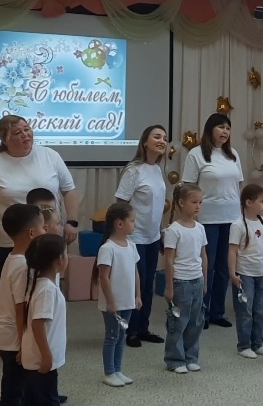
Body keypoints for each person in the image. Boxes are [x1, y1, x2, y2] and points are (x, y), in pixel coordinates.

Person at [0, 116, 80, 274]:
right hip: (11, 241)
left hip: (48, 236)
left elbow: (69, 190)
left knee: (47, 282)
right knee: (15, 283)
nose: (25, 135)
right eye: (18, 132)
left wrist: (72, 222)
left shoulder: (50, 156)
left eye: (27, 129)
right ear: (5, 139)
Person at [182, 113, 244, 330]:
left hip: (231, 218)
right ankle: (201, 311)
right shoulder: (196, 154)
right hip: (206, 219)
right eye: (221, 127)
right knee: (206, 267)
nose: (225, 132)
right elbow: (188, 187)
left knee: (224, 267)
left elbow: (239, 186)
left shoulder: (233, 154)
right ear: (210, 129)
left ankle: (217, 311)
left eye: (228, 128)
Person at [114, 125, 169, 347]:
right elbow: (121, 204)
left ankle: (143, 328)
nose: (162, 140)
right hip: (134, 237)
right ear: (145, 142)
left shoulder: (157, 169)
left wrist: (161, 230)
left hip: (152, 236)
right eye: (157, 136)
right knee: (136, 284)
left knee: (148, 284)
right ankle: (130, 330)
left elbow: (156, 206)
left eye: (165, 138)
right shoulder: (133, 170)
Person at [0, 204, 46, 406]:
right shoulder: (22, 266)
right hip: (14, 341)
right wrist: (24, 345)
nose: (45, 231)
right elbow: (20, 309)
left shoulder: (13, 258)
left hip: (9, 337)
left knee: (21, 386)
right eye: (43, 227)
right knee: (13, 393)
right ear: (32, 233)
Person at [162, 183, 208, 374]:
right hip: (181, 282)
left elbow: (203, 255)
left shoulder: (200, 228)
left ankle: (191, 357)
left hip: (197, 280)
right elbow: (169, 260)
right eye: (193, 202)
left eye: (200, 202)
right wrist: (169, 286)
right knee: (178, 322)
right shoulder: (173, 230)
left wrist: (204, 280)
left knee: (196, 322)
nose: (198, 206)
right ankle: (175, 360)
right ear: (181, 203)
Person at [20, 234, 68, 406]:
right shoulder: (47, 290)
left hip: (37, 357)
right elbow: (37, 323)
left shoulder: (40, 284)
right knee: (47, 400)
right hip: (41, 359)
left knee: (35, 398)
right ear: (60, 259)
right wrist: (47, 356)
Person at [97, 203, 141, 387]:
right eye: (132, 221)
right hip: (113, 303)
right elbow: (103, 277)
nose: (135, 224)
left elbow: (135, 272)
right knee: (112, 336)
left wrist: (137, 295)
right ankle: (109, 372)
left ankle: (117, 370)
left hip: (127, 300)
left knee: (122, 335)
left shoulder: (131, 246)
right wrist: (110, 302)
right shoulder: (107, 248)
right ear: (119, 224)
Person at [229, 184, 263, 359]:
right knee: (245, 312)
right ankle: (244, 346)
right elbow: (232, 251)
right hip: (245, 275)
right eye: (261, 201)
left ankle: (258, 344)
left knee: (260, 310)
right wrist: (233, 273)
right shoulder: (238, 225)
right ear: (249, 202)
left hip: (261, 273)